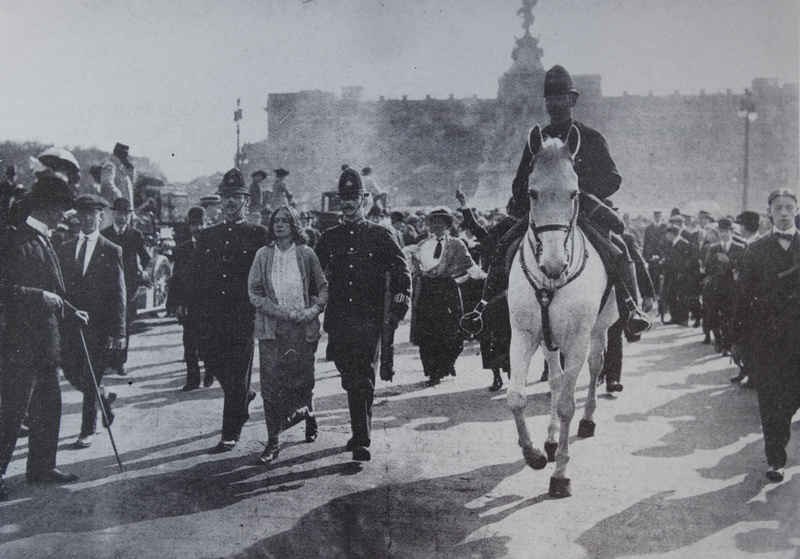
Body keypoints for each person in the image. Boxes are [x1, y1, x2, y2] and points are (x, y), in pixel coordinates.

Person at [462, 65, 650, 342]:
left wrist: (575, 190)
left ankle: (632, 309)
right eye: (550, 99)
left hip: (583, 207)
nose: (555, 104)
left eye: (561, 97)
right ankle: (483, 307)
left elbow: (613, 179)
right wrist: (532, 195)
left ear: (572, 100)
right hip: (545, 211)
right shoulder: (536, 139)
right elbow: (518, 183)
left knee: (620, 249)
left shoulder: (591, 137)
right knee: (503, 244)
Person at [315, 167, 411, 462]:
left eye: (353, 197)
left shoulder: (382, 235)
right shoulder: (329, 237)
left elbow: (401, 273)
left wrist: (396, 311)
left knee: (362, 377)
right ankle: (359, 429)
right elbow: (313, 274)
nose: (347, 202)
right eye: (343, 197)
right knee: (349, 376)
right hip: (340, 320)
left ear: (364, 200)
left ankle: (362, 439)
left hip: (369, 321)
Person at [0, 176, 85, 501]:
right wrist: (40, 297)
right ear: (48, 208)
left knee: (49, 406)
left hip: (46, 345)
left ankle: (41, 467)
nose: (65, 215)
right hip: (19, 345)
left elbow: (56, 292)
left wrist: (71, 311)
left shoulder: (43, 239)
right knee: (12, 412)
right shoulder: (14, 239)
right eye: (62, 208)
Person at [185, 168, 268, 452]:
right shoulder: (208, 236)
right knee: (214, 361)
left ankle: (230, 431)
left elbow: (266, 275)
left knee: (237, 371)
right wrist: (192, 310)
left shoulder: (258, 234)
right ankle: (245, 394)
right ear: (220, 202)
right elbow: (196, 275)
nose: (231, 202)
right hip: (212, 315)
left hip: (243, 314)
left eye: (236, 196)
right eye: (226, 197)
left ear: (246, 201)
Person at [248, 205, 328, 464]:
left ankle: (309, 413)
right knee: (271, 386)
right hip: (273, 329)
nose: (279, 225)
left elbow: (323, 288)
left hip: (302, 329)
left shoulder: (306, 254)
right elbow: (254, 292)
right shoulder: (263, 254)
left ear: (294, 225)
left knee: (302, 381)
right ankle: (273, 441)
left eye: (285, 221)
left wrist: (313, 310)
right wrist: (278, 311)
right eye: (275, 221)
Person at [732, 189, 799, 483]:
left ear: (796, 210)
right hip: (768, 342)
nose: (783, 213)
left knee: (792, 399)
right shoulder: (756, 250)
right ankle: (775, 459)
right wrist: (738, 340)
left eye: (789, 207)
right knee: (772, 403)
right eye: (778, 208)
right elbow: (742, 298)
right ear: (769, 212)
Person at [58, 195, 126, 448]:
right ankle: (105, 397)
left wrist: (119, 331)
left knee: (90, 375)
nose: (87, 219)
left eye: (92, 215)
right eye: (82, 215)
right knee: (71, 372)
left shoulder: (111, 250)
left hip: (98, 326)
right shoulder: (64, 248)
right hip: (70, 324)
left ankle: (87, 430)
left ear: (101, 217)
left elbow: (119, 293)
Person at [405, 207, 485, 386]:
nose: (436, 225)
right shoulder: (422, 243)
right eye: (433, 222)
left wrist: (487, 277)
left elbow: (471, 267)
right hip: (427, 291)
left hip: (448, 290)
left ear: (448, 225)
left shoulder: (456, 244)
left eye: (440, 222)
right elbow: (412, 267)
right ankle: (433, 372)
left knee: (453, 334)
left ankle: (448, 363)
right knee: (428, 334)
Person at [101, 197, 151, 376]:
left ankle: (121, 362)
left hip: (130, 287)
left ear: (130, 216)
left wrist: (144, 272)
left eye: (126, 215)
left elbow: (146, 258)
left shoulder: (135, 235)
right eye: (119, 214)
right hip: (109, 286)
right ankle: (109, 361)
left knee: (125, 325)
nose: (122, 218)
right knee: (108, 323)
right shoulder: (105, 234)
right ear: (113, 214)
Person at [170, 207, 212, 391]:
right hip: (190, 303)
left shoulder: (215, 247)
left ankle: (210, 371)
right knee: (189, 343)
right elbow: (176, 278)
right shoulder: (182, 250)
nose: (199, 228)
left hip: (211, 303)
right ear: (189, 226)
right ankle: (192, 379)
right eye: (194, 224)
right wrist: (177, 303)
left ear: (207, 224)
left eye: (201, 224)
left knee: (210, 341)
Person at [703, 218, 746, 355]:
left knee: (728, 316)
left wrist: (729, 262)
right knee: (714, 315)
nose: (723, 234)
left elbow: (743, 267)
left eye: (726, 231)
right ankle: (719, 341)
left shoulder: (740, 247)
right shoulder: (713, 248)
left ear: (731, 231)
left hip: (731, 288)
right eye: (721, 231)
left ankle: (727, 345)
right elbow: (708, 267)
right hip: (715, 287)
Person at [660, 224, 695, 325]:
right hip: (672, 274)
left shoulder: (684, 244)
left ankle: (683, 318)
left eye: (667, 234)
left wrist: (681, 273)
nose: (666, 236)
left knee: (681, 296)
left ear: (672, 234)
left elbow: (686, 261)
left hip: (681, 275)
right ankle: (675, 317)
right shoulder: (673, 243)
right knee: (672, 295)